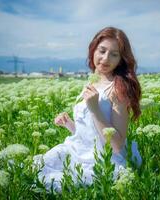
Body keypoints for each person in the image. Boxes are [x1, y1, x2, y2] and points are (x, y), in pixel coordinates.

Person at [33, 26, 142, 192]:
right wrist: (70, 125)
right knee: (32, 169)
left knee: (49, 182)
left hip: (102, 160)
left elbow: (117, 145)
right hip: (79, 150)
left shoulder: (119, 89)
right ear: (93, 50)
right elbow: (91, 135)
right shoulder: (92, 82)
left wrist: (94, 109)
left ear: (121, 59)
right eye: (102, 51)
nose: (105, 59)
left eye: (114, 54)